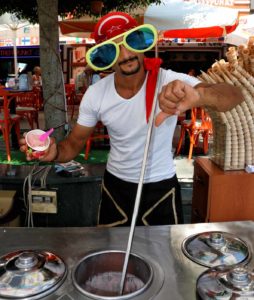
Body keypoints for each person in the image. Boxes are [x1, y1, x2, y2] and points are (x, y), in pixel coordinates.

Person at [19, 12, 244, 227]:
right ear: (104, 58)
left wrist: (200, 95)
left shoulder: (169, 81)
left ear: (142, 41)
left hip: (161, 186)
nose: (126, 55)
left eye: (132, 41)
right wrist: (54, 152)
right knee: (111, 258)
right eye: (113, 50)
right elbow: (73, 144)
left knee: (162, 257)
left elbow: (234, 96)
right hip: (116, 186)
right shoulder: (96, 93)